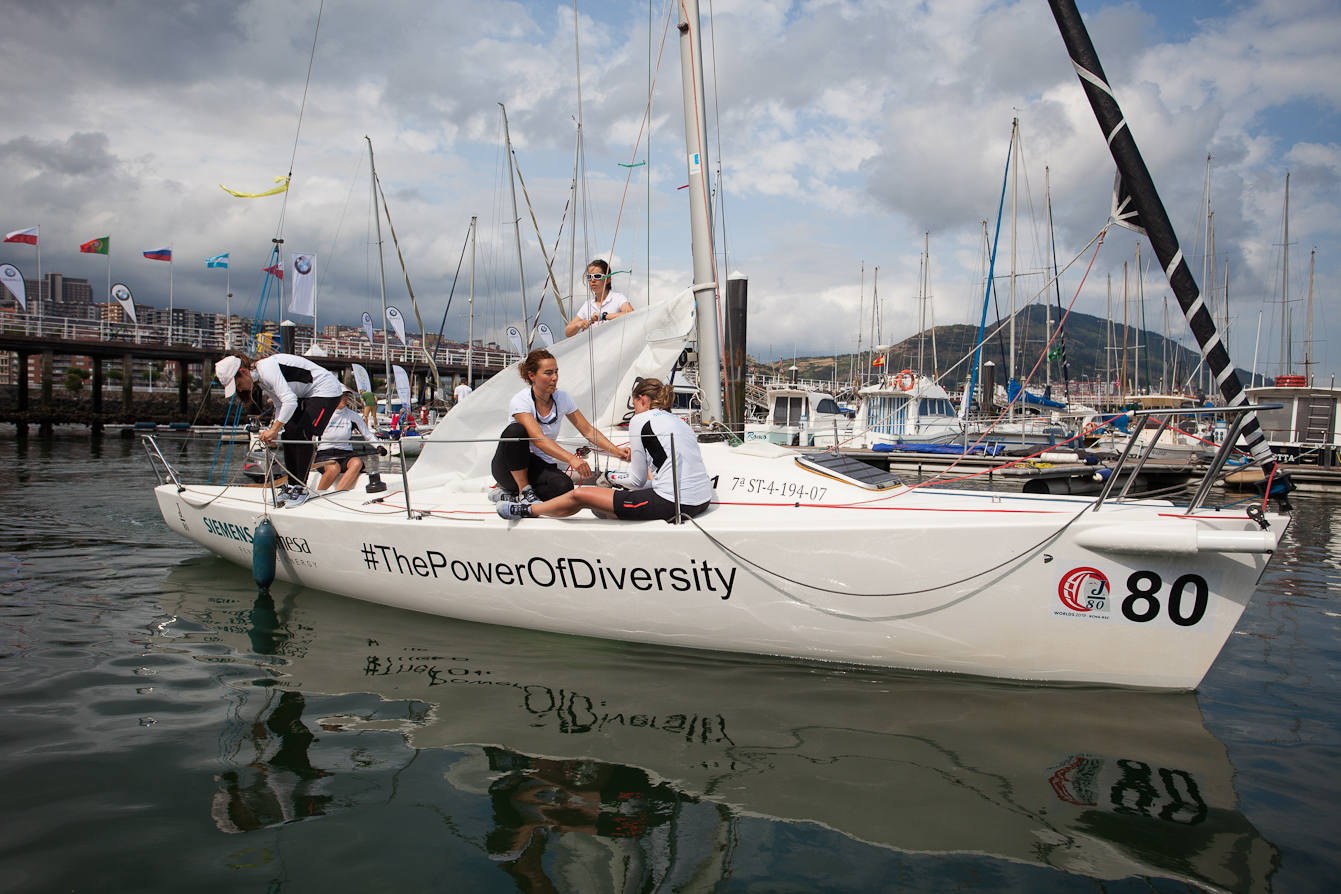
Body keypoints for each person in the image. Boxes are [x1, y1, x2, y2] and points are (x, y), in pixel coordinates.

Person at [498, 378, 713, 522]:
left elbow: (637, 482)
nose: (634, 409)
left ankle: (526, 510)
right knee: (605, 500)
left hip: (673, 504)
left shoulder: (640, 421)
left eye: (634, 403)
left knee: (580, 494)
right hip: (701, 501)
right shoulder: (681, 422)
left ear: (642, 400)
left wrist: (610, 477)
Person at [491, 349, 630, 504]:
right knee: (515, 430)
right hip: (509, 467)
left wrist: (617, 451)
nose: (555, 378)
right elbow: (539, 440)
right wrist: (572, 459)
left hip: (537, 464)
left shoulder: (562, 398)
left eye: (556, 372)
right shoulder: (521, 400)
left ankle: (509, 495)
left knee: (564, 487)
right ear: (532, 376)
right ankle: (524, 491)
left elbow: (587, 430)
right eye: (548, 373)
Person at [215, 351, 343, 507]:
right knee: (288, 432)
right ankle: (291, 485)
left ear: (243, 372)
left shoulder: (267, 369)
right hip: (306, 394)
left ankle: (300, 488)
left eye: (238, 385)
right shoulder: (261, 380)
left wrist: (274, 429)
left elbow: (290, 401)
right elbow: (280, 405)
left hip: (326, 390)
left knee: (303, 432)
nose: (240, 390)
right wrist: (273, 431)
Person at [312, 389, 378, 493]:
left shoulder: (353, 416)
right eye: (342, 396)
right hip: (325, 453)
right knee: (334, 468)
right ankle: (317, 494)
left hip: (346, 453)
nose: (345, 399)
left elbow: (368, 435)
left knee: (357, 463)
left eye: (346, 396)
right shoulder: (322, 413)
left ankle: (337, 494)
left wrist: (379, 446)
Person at [564, 258, 634, 337]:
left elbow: (631, 314)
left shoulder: (618, 298)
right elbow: (568, 332)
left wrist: (603, 316)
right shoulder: (587, 305)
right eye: (589, 277)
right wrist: (579, 324)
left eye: (597, 276)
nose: (592, 280)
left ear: (608, 279)